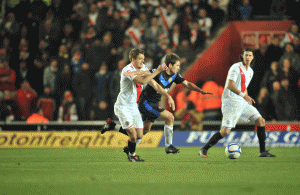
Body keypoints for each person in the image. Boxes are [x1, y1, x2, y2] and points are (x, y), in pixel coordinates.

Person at [102, 53, 213, 154]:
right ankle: (168, 146)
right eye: (177, 65)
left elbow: (187, 84)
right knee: (169, 117)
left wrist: (200, 90)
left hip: (154, 103)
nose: (179, 68)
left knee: (144, 131)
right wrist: (168, 96)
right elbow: (155, 85)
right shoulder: (157, 72)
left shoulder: (175, 76)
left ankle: (113, 127)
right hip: (146, 103)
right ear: (170, 65)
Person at [199, 47, 276, 158]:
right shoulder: (236, 67)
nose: (248, 57)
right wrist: (243, 95)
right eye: (246, 55)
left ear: (253, 57)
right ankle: (204, 149)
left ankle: (262, 151)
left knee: (260, 120)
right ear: (242, 56)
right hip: (230, 102)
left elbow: (244, 87)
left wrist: (246, 98)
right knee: (225, 131)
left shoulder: (250, 71)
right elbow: (230, 85)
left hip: (242, 101)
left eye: (250, 55)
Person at [107, 48, 171, 162]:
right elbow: (142, 81)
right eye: (140, 59)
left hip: (133, 107)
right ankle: (132, 155)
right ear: (133, 59)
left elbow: (155, 85)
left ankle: (113, 126)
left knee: (140, 135)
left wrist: (168, 96)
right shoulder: (127, 70)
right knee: (132, 135)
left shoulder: (143, 68)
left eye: (143, 58)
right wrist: (157, 71)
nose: (143, 61)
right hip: (123, 106)